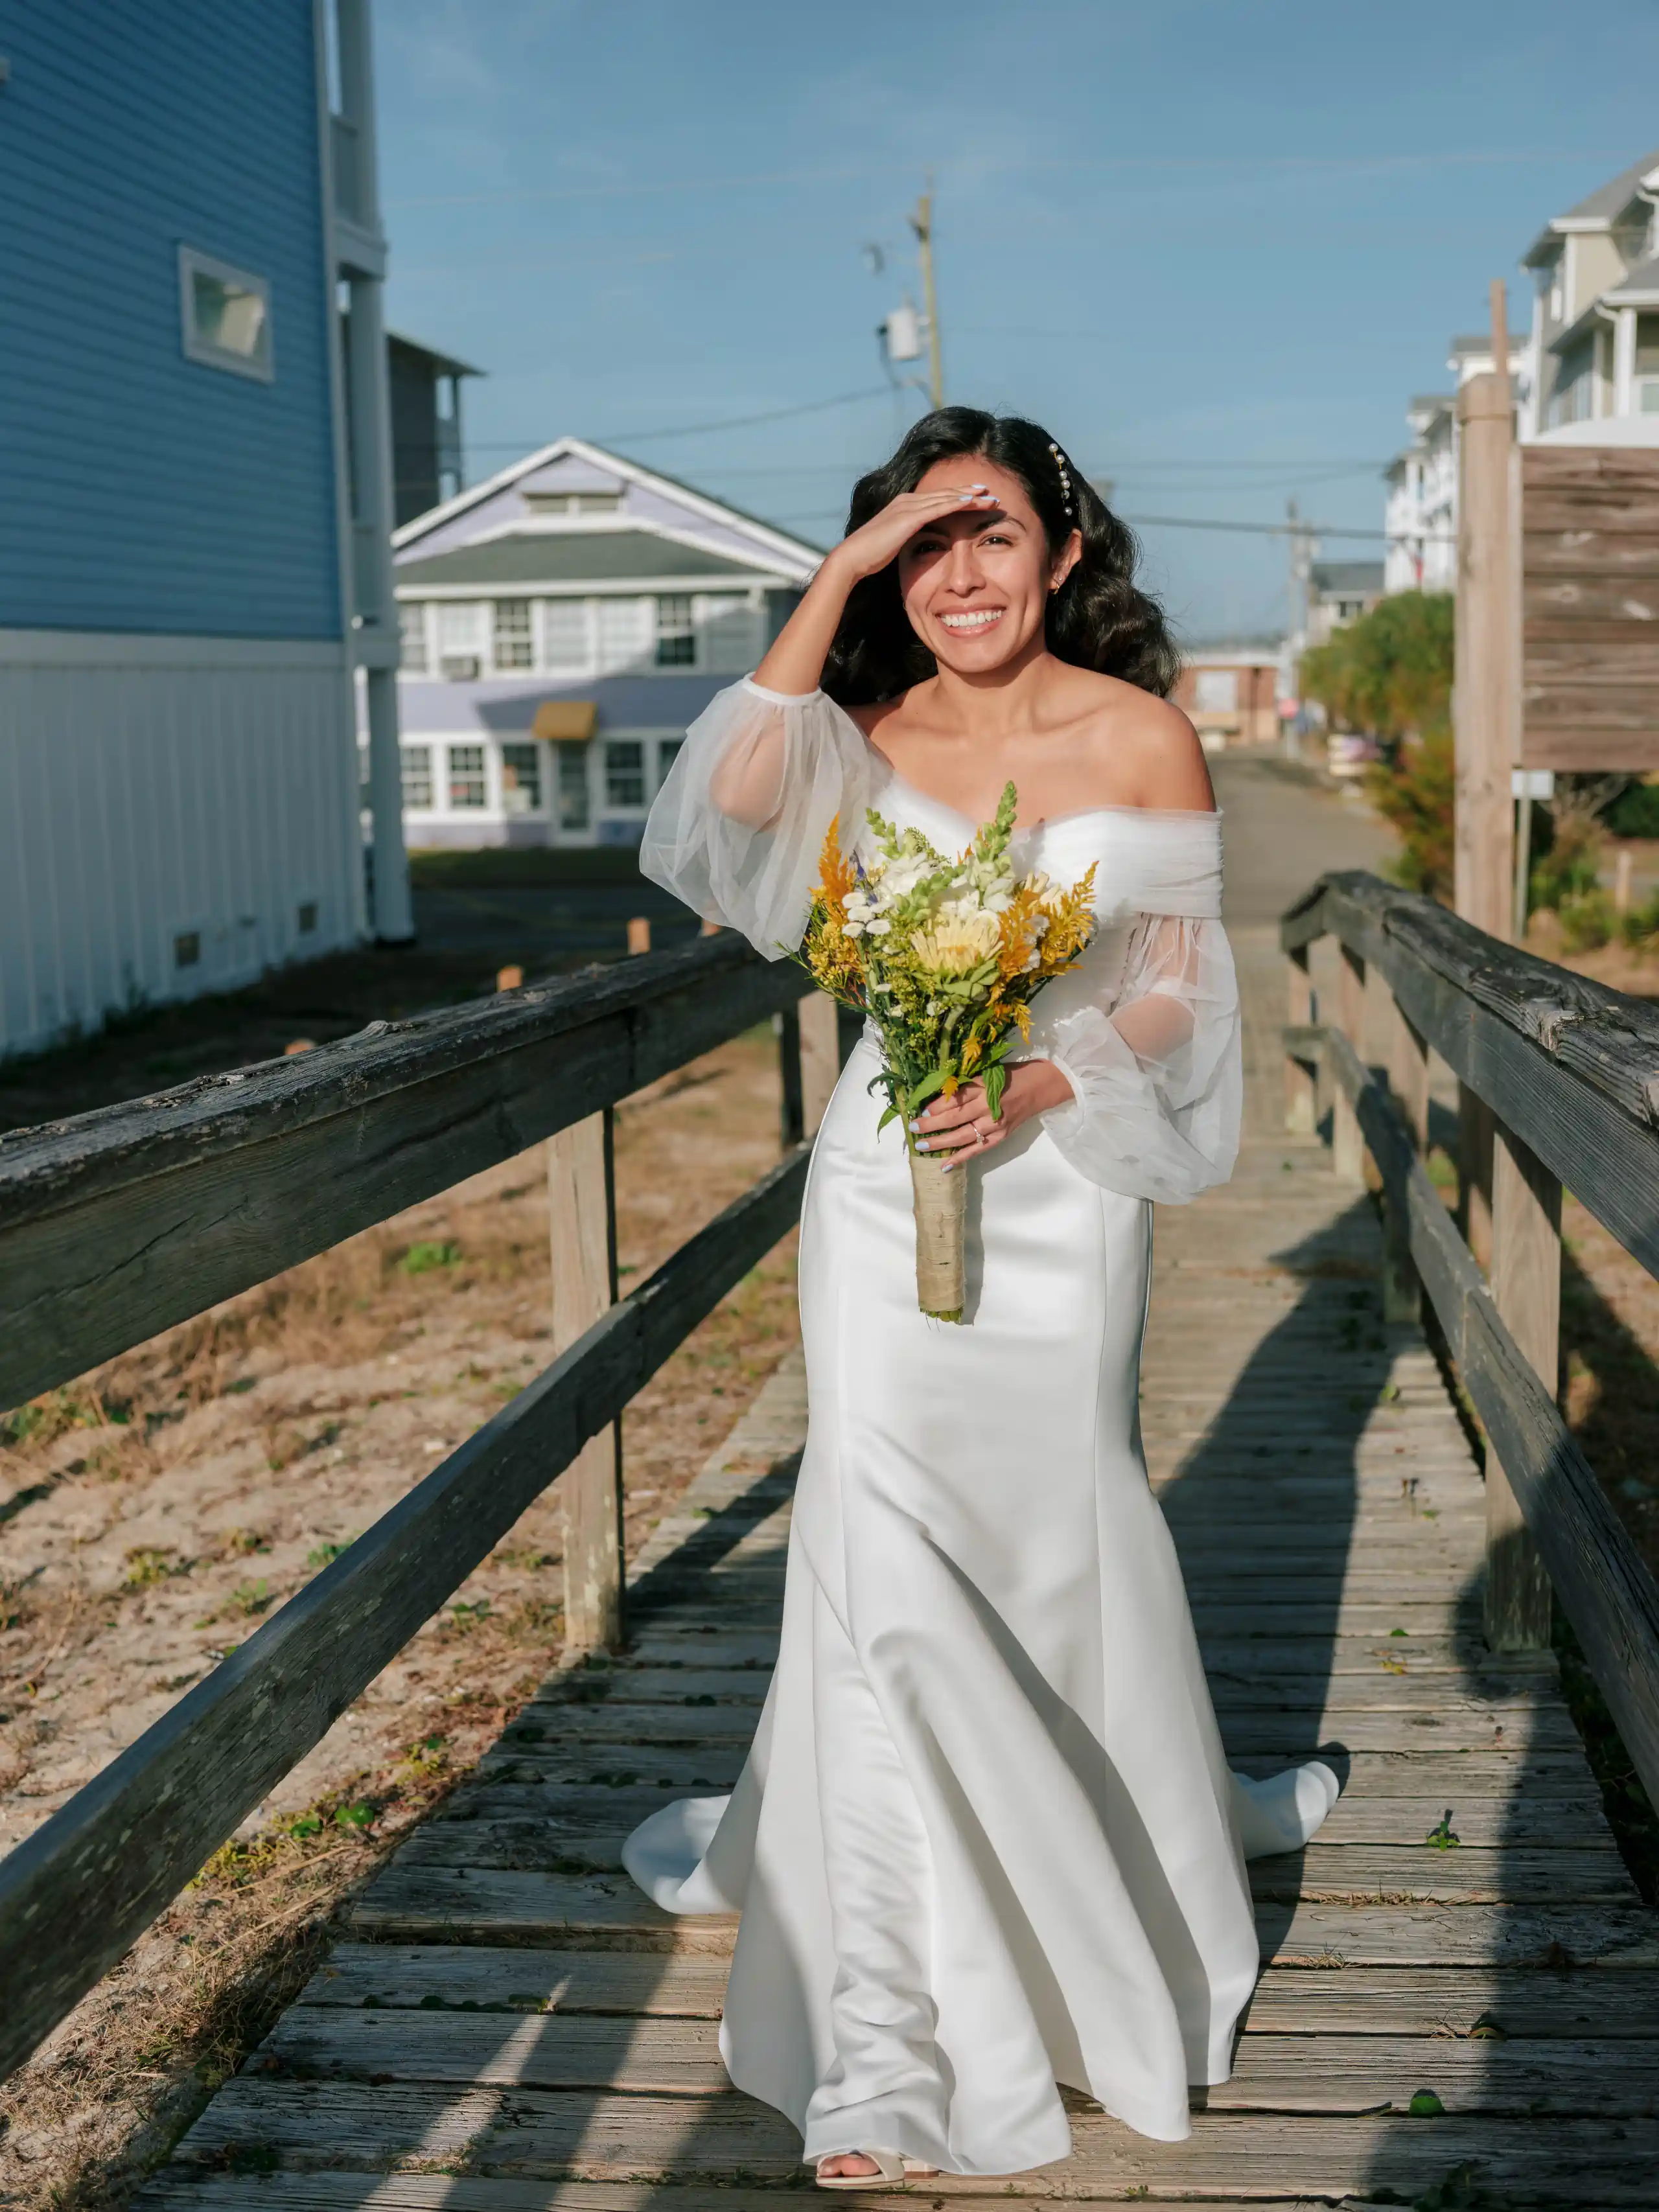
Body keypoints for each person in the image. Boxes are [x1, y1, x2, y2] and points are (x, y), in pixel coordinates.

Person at [622, 408, 1339, 2186]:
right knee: (869, 1540)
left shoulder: (1142, 734)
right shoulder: (860, 733)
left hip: (1059, 1179)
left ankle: (1118, 1843)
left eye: (992, 532)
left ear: (1063, 554)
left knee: (1055, 1519)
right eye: (922, 541)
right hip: (883, 1185)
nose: (957, 573)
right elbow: (726, 813)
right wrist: (836, 578)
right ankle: (881, 2045)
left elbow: (1178, 990)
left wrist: (1045, 1077)